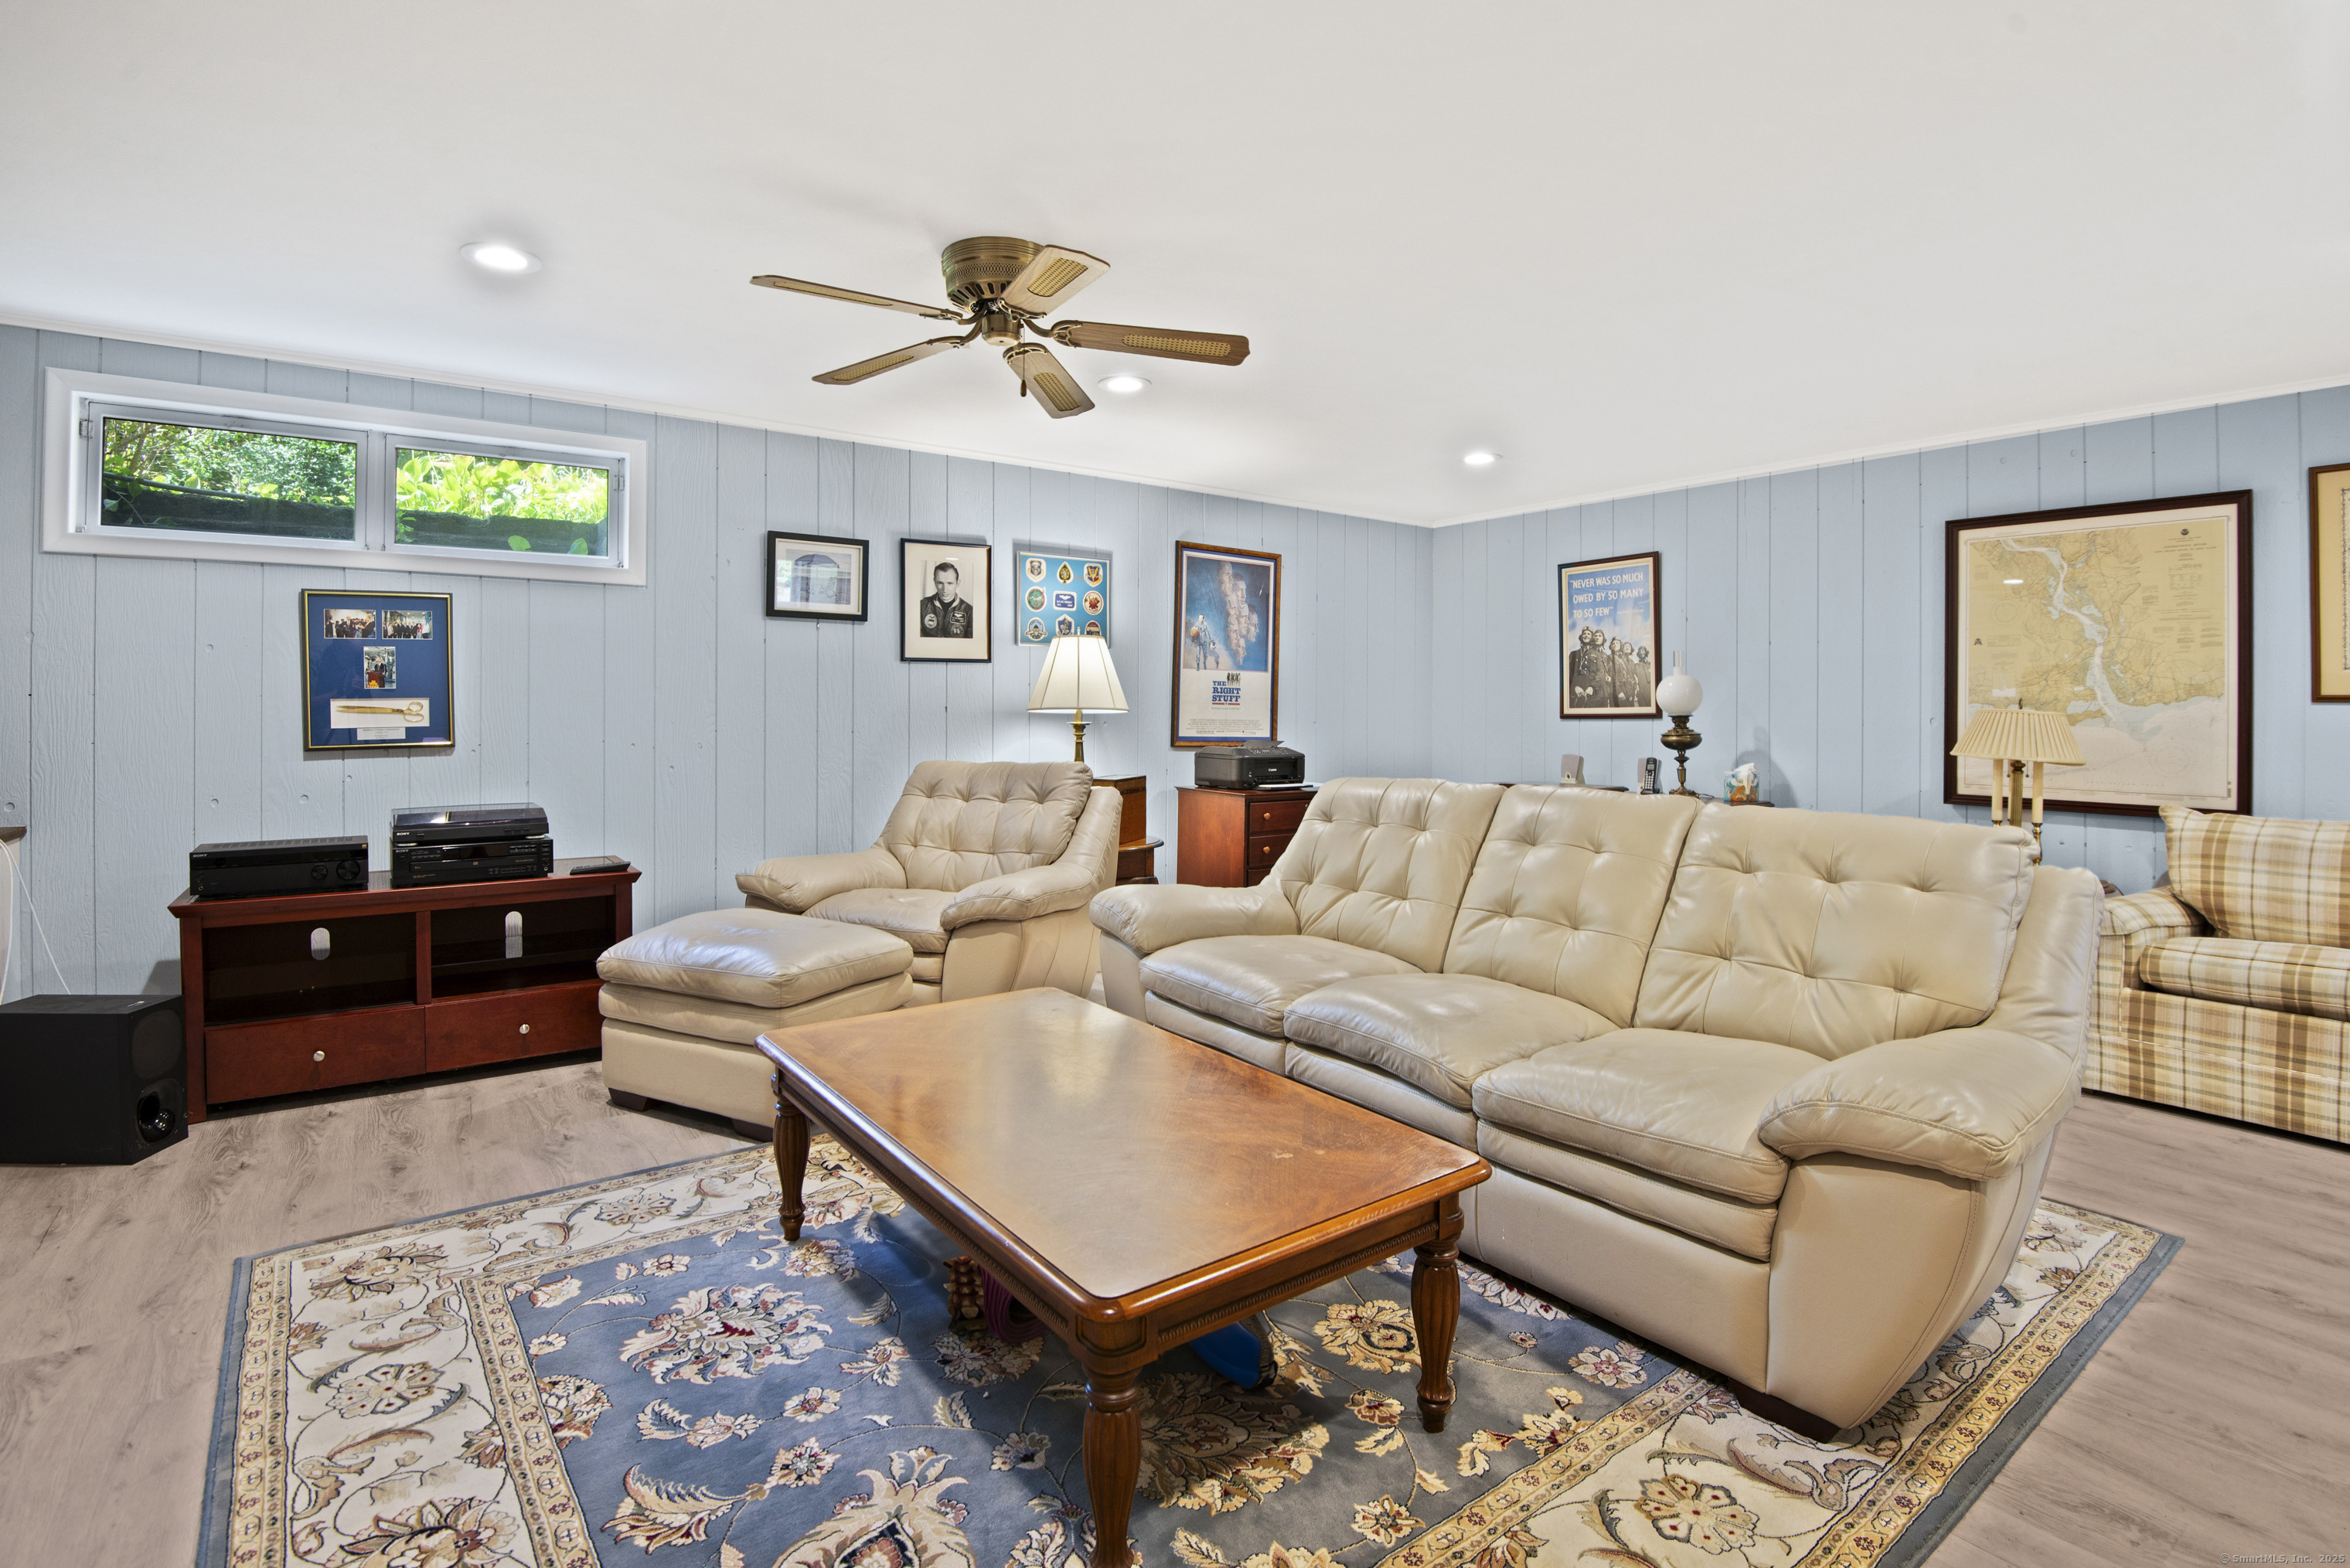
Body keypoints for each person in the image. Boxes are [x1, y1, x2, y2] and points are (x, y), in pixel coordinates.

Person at [918, 561, 973, 639]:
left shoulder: (969, 611)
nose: (945, 590)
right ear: (934, 582)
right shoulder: (922, 606)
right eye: (940, 583)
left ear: (958, 583)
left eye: (950, 583)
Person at [1568, 625, 1616, 709]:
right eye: (1584, 634)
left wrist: (1592, 688)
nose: (1586, 635)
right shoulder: (1574, 654)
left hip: (1592, 694)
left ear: (1591, 639)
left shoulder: (1596, 654)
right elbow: (1569, 674)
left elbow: (1599, 673)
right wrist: (1575, 687)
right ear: (1581, 637)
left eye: (1589, 634)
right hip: (1577, 693)